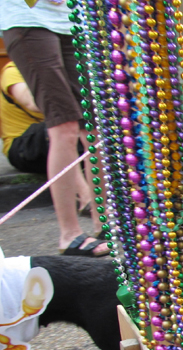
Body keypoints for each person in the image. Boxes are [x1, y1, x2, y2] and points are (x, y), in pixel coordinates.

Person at [0, 0, 109, 256]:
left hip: (73, 20)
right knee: (64, 125)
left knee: (96, 130)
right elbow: (33, 104)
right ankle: (69, 234)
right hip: (28, 19)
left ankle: (105, 223)